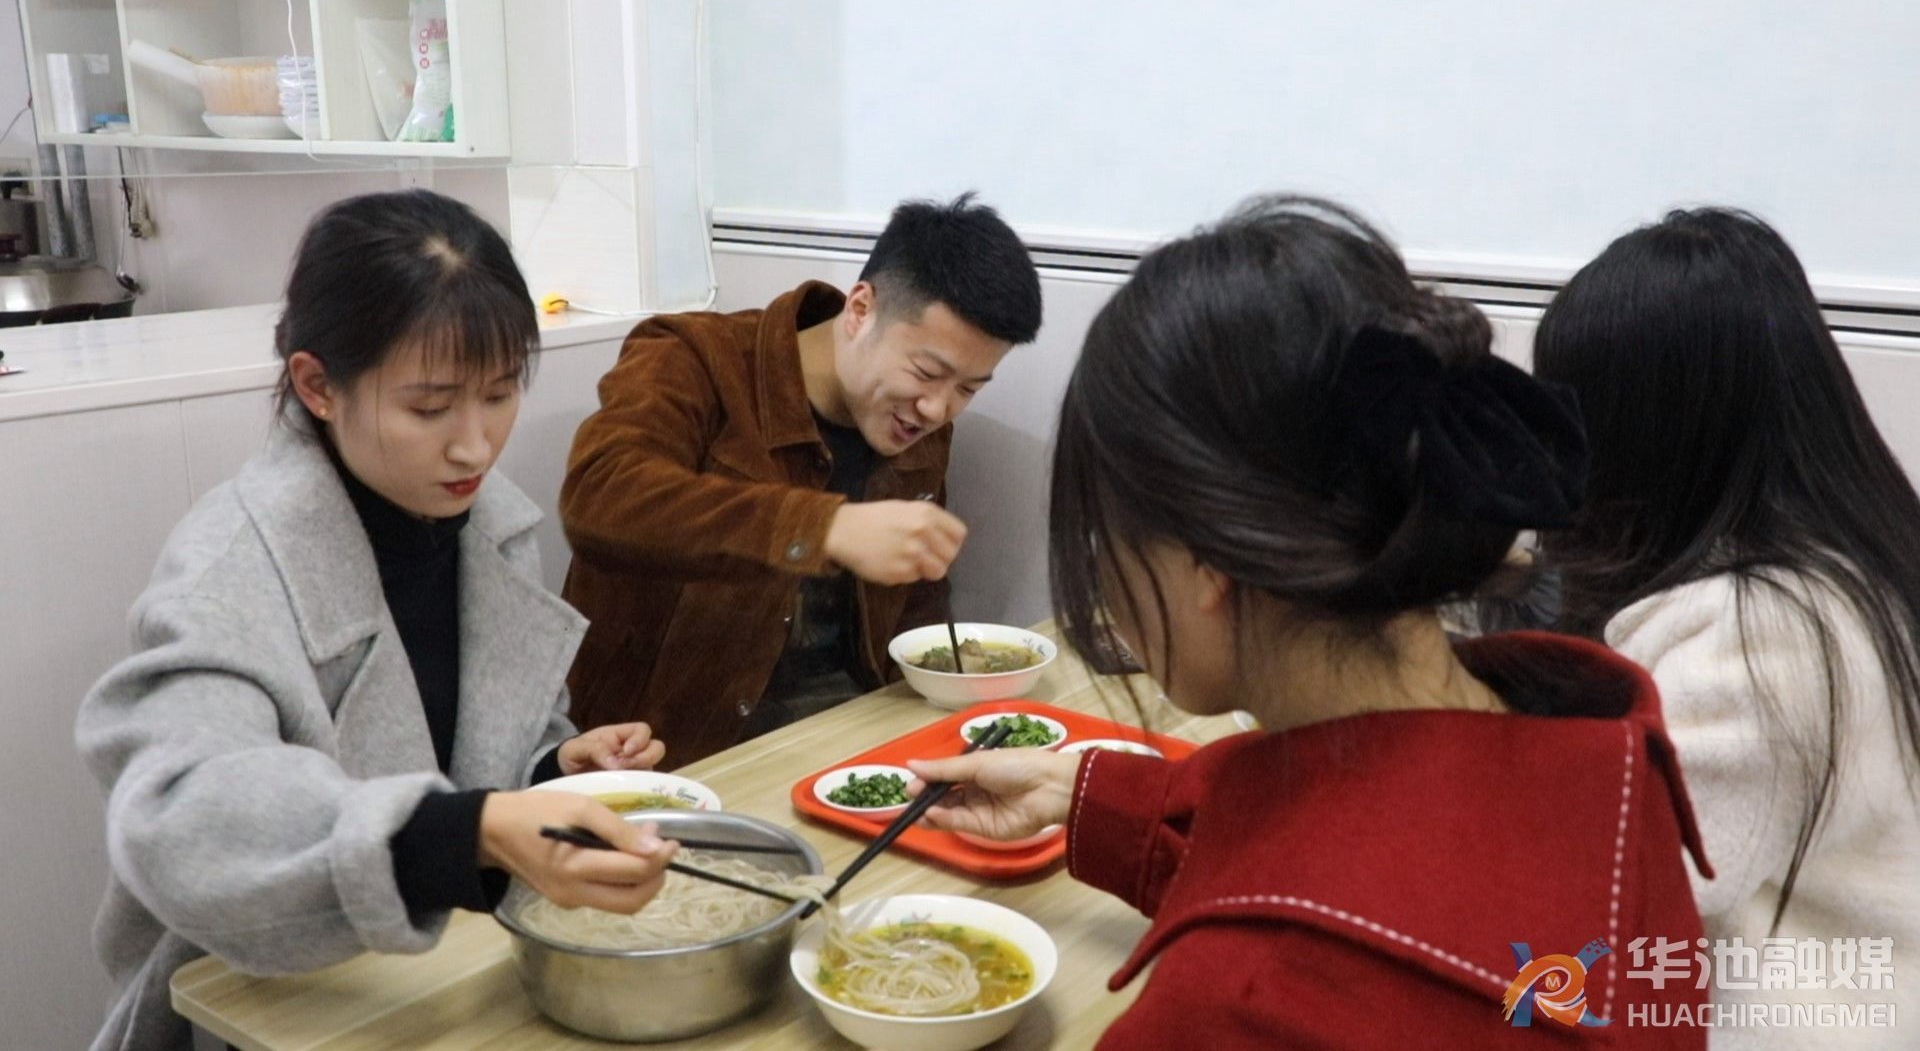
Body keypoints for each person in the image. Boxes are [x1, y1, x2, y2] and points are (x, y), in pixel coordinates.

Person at [908, 196, 1710, 1047]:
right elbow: (1384, 891)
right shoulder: (1603, 754)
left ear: (1201, 559)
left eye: (1106, 532)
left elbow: (1328, 953)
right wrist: (1090, 797)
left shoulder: (1238, 1005)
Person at [75, 190, 677, 1051]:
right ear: (318, 386)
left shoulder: (487, 523)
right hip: (265, 1003)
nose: (475, 444)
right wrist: (469, 831)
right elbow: (184, 821)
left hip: (442, 979)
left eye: (500, 393)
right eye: (430, 408)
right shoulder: (227, 570)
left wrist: (554, 768)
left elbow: (471, 752)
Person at [1532, 208, 1920, 1045]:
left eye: (1571, 413)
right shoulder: (1855, 566)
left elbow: (1623, 874)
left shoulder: (1761, 635)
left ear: (1646, 430)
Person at [560, 192, 1043, 766]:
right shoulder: (694, 358)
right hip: (677, 750)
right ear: (860, 310)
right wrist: (825, 529)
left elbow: (914, 607)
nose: (938, 408)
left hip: (851, 738)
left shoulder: (918, 423)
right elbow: (600, 496)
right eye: (926, 372)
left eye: (968, 388)